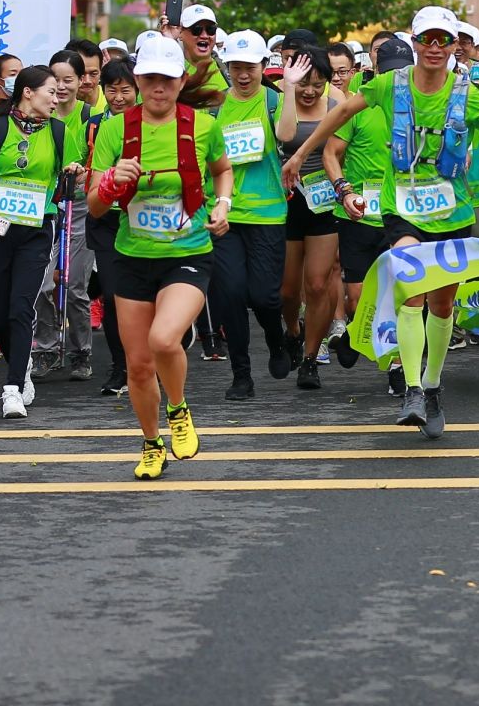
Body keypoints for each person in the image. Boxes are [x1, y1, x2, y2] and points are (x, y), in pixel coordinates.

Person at [281, 6, 479, 438]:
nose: (433, 47)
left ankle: (431, 387)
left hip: (451, 212)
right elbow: (339, 114)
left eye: (442, 40)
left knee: (442, 305)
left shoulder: (469, 95)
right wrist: (300, 155)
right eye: (426, 39)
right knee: (409, 287)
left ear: (452, 46)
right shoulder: (392, 85)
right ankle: (411, 386)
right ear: (413, 41)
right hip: (402, 209)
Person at [87, 36, 234, 479]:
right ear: (136, 79)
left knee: (165, 339)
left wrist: (223, 204)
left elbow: (222, 171)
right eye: (149, 78)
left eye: (167, 79)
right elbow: (93, 204)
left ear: (181, 80)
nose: (158, 87)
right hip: (131, 256)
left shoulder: (202, 126)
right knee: (137, 366)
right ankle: (152, 444)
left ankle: (179, 408)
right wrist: (112, 181)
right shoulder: (115, 129)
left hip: (187, 252)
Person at [0, 64, 83, 419]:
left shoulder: (60, 133)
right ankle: (21, 364)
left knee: (21, 306)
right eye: (50, 92)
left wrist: (76, 172)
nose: (56, 99)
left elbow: (75, 171)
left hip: (37, 228)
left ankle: (12, 388)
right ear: (28, 92)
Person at [325, 38, 414, 381]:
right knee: (358, 299)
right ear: (376, 70)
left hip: (402, 213)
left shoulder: (424, 105)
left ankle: (398, 366)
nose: (395, 80)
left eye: (403, 73)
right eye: (389, 73)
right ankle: (355, 330)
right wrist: (344, 190)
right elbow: (332, 154)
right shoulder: (360, 104)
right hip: (360, 212)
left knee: (403, 293)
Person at [210, 30, 291, 398]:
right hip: (226, 216)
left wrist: (288, 88)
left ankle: (277, 340)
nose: (243, 75)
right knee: (229, 294)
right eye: (236, 67)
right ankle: (241, 374)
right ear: (227, 67)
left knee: (264, 297)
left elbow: (288, 136)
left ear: (263, 67)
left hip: (269, 214)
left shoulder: (273, 102)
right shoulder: (214, 108)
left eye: (250, 67)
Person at [276, 42, 342, 379]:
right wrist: (290, 88)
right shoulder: (278, 98)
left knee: (317, 284)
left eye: (319, 84)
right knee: (288, 290)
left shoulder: (337, 104)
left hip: (323, 201)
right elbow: (284, 134)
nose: (311, 91)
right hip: (285, 202)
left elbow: (342, 151)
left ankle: (311, 358)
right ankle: (293, 330)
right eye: (305, 83)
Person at [33, 50, 94, 380]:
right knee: (41, 282)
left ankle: (80, 351)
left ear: (82, 81)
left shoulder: (91, 118)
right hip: (44, 206)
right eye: (54, 81)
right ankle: (43, 347)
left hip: (80, 206)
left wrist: (80, 173)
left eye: (68, 80)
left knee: (74, 285)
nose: (60, 87)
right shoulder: (38, 116)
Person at [85, 57, 135, 395]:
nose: (118, 98)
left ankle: (147, 362)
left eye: (125, 90)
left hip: (142, 219)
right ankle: (120, 367)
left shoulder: (152, 121)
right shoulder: (91, 122)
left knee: (144, 297)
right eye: (111, 90)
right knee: (115, 297)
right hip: (105, 219)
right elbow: (78, 155)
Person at [177, 3, 225, 95]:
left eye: (210, 29)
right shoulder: (171, 71)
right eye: (196, 30)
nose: (204, 36)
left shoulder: (227, 72)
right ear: (180, 33)